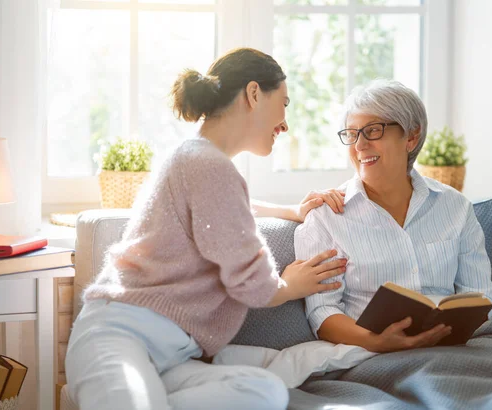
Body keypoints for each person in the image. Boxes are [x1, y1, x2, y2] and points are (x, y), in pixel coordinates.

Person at [65, 48, 348, 410]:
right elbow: (254, 286)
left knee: (267, 391)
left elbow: (228, 210)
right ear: (254, 93)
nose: (285, 123)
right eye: (285, 103)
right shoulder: (208, 166)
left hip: (170, 359)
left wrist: (289, 210)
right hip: (121, 337)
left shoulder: (197, 159)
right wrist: (291, 286)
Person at [294, 79, 492, 354]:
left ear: (411, 138)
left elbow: (481, 297)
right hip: (372, 356)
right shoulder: (326, 217)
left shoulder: (456, 207)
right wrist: (375, 343)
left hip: (453, 350)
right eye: (352, 134)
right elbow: (323, 312)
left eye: (373, 131)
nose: (359, 145)